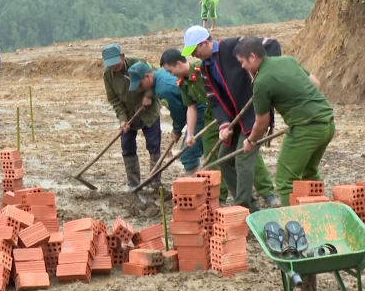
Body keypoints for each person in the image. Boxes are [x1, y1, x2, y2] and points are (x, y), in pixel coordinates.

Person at [182, 26, 279, 213]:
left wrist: (263, 76)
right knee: (224, 160)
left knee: (243, 158)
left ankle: (241, 208)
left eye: (195, 50)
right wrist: (224, 125)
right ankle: (249, 206)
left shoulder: (233, 46)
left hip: (253, 114)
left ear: (205, 43)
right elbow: (215, 101)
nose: (194, 55)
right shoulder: (205, 68)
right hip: (234, 119)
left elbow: (271, 44)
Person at [234, 37, 335, 206]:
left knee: (285, 180)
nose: (242, 66)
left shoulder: (260, 81)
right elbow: (315, 83)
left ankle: (294, 227)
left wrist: (251, 141)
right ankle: (319, 213)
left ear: (252, 56)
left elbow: (262, 123)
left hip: (306, 129)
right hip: (328, 123)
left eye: (242, 62)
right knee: (309, 173)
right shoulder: (288, 60)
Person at [102, 43, 162, 191]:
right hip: (129, 114)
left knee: (154, 145)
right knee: (127, 147)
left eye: (116, 63)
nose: (114, 67)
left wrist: (148, 96)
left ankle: (155, 182)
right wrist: (122, 118)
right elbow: (114, 100)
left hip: (148, 112)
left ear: (122, 57)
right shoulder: (108, 75)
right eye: (110, 65)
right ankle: (134, 184)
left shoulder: (139, 63)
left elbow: (157, 77)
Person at [127, 61, 203, 177]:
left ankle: (195, 188)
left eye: (140, 85)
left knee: (188, 155)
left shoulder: (164, 90)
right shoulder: (161, 73)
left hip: (201, 112)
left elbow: (179, 113)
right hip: (196, 108)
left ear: (147, 77)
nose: (140, 89)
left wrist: (176, 130)